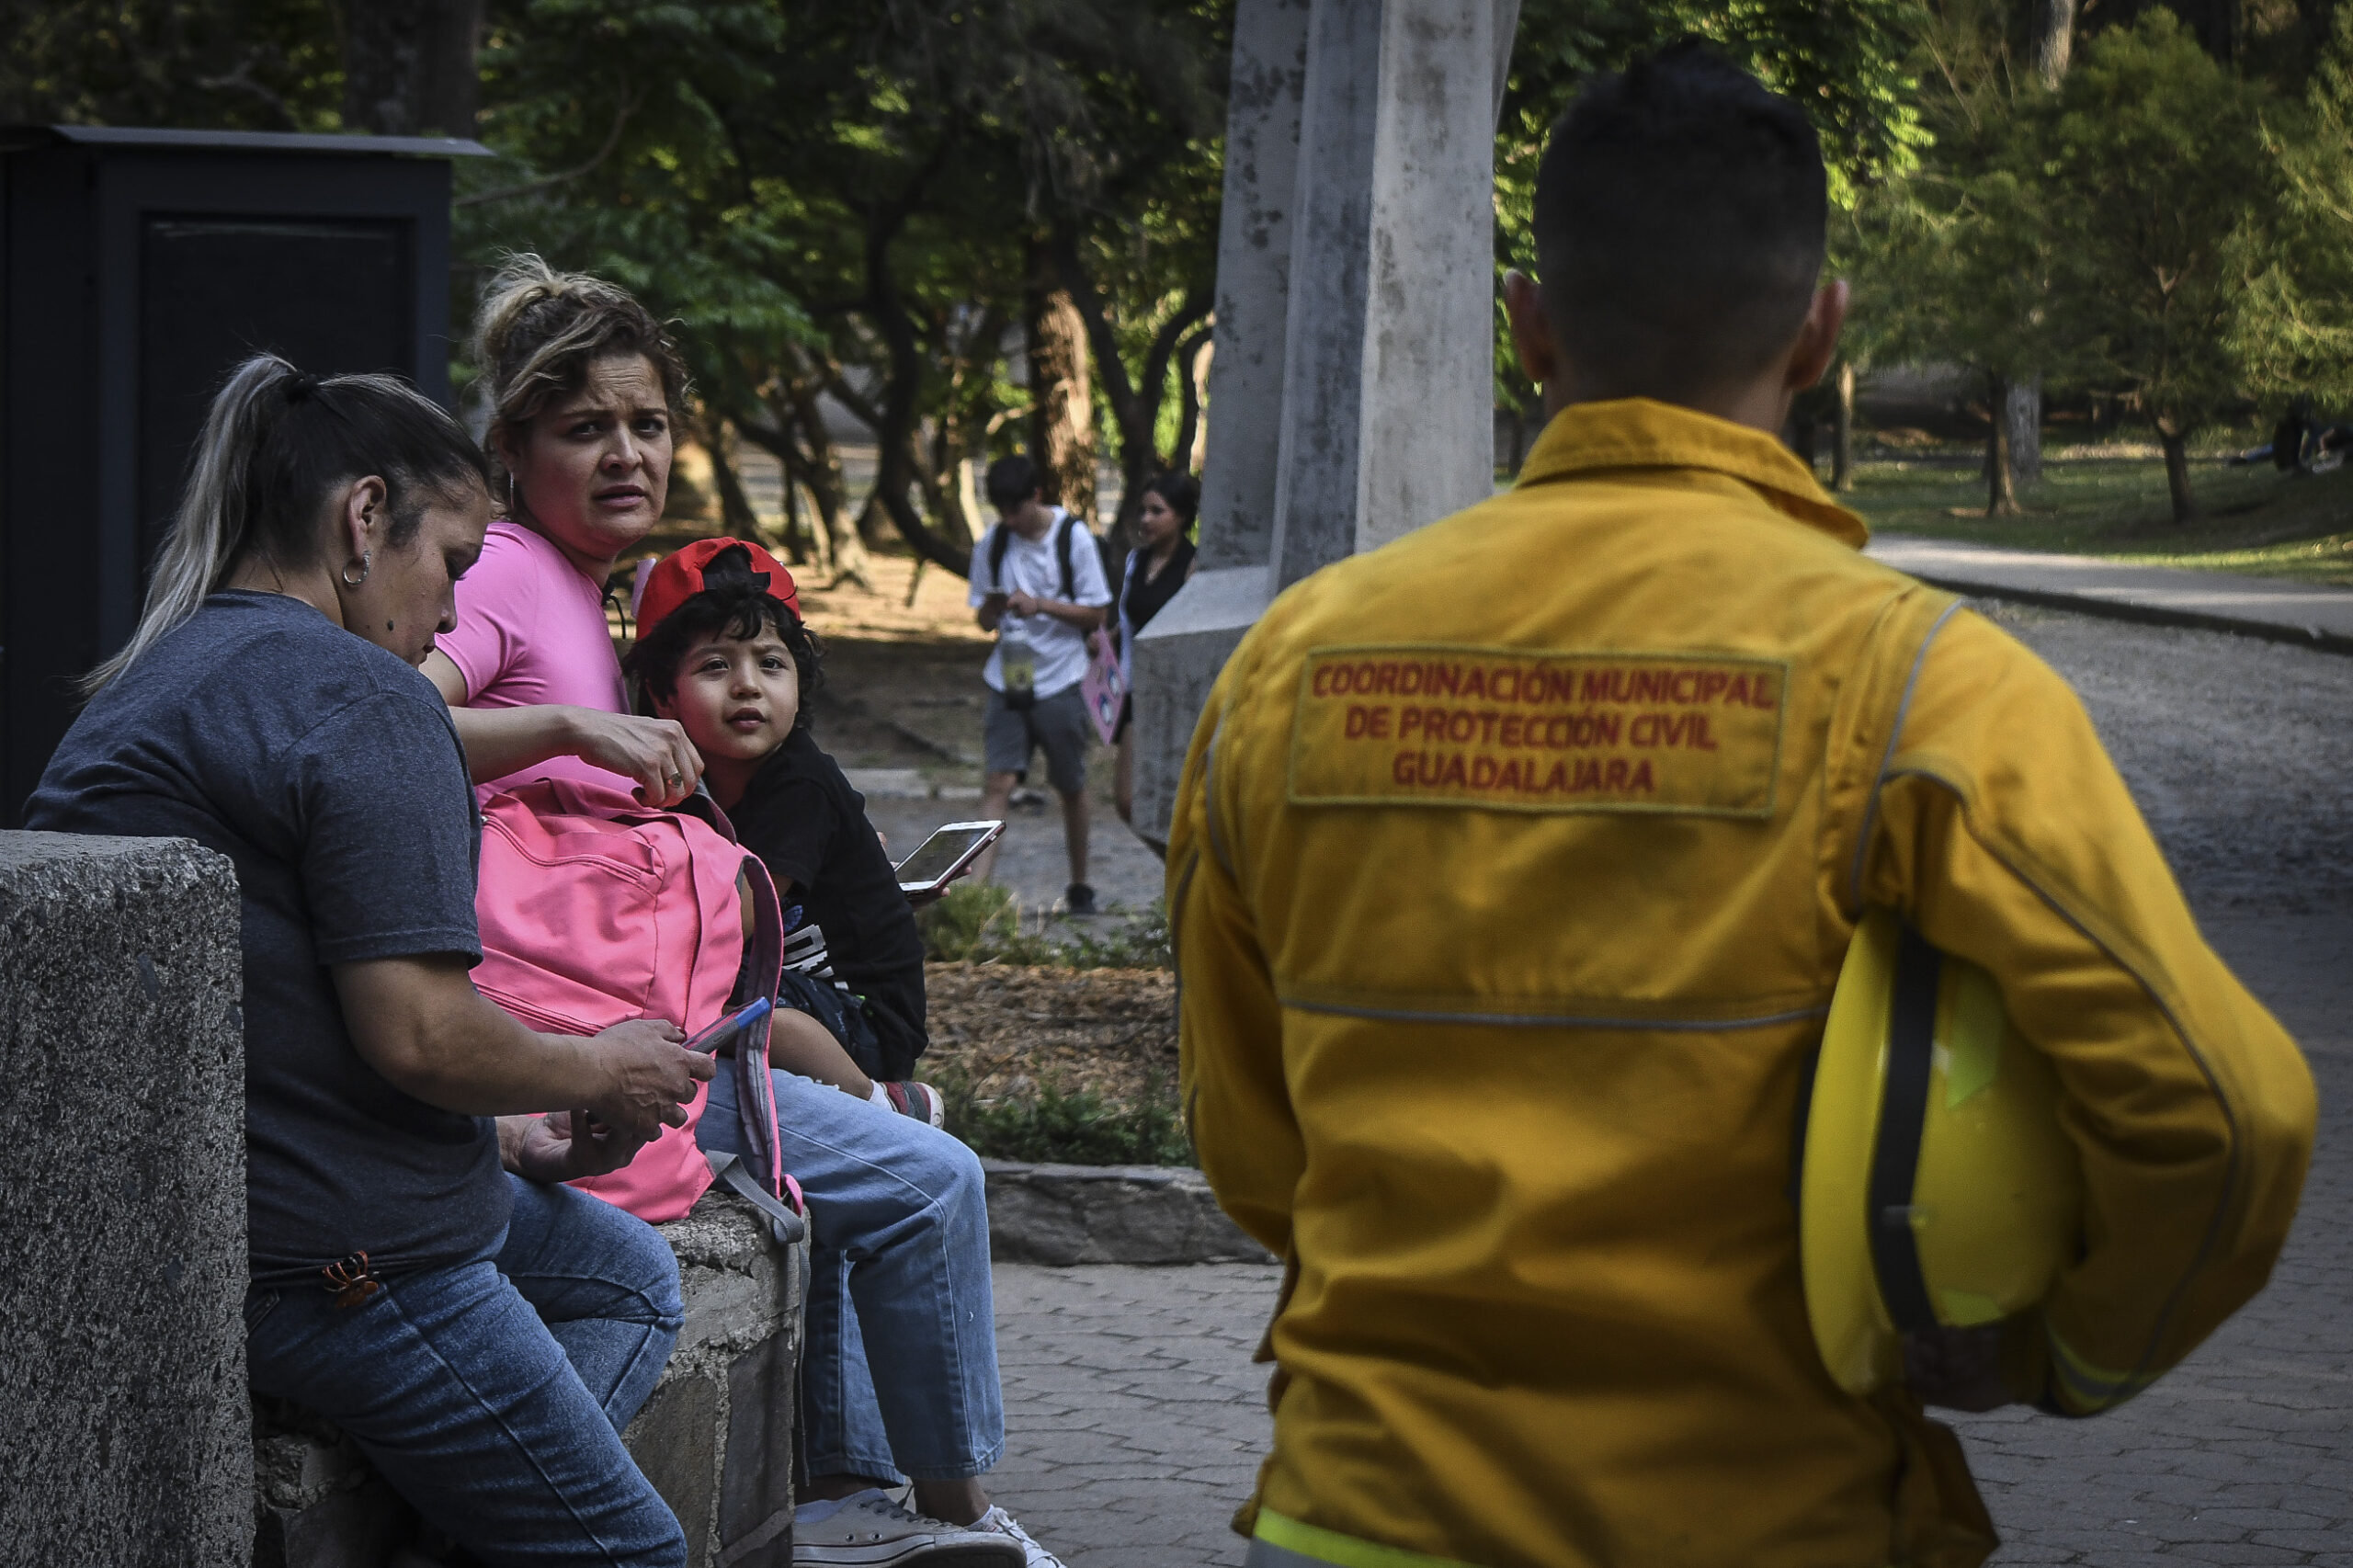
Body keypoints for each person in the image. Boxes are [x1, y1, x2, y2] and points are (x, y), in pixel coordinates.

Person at [1167, 45, 2316, 1568]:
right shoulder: (1922, 688)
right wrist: (2068, 1353)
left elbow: (1257, 1154)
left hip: (1362, 1516)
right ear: (1824, 336)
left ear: (1527, 325)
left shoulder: (1289, 666)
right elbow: (2230, 1120)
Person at [28, 355, 715, 1566]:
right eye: (451, 561)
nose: (451, 615)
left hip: (224, 1226)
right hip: (347, 1264)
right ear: (364, 517)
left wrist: (508, 1133)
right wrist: (596, 1067)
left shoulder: (151, 679)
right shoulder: (363, 699)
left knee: (624, 1272)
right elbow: (420, 1034)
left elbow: (272, 1005)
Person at [436, 260, 1065, 1568]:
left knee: (855, 1183)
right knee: (932, 1178)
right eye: (584, 427)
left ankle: (848, 1490)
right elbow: (378, 723)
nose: (627, 453)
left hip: (640, 1034)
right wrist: (560, 721)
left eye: (648, 423)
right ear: (510, 449)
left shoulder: (576, 585)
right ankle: (950, 1514)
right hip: (590, 1045)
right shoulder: (505, 569)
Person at [619, 537, 1063, 1563]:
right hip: (773, 992)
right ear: (655, 687)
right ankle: (843, 1486)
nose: (748, 688)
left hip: (853, 1007)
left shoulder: (793, 783)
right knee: (804, 1169)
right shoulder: (692, 783)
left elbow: (732, 929)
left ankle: (875, 1099)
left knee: (758, 1010)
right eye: (717, 666)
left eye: (772, 666)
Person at [968, 454, 1113, 913]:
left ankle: (1080, 885)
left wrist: (1040, 605)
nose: (1009, 520)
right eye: (1002, 511)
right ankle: (975, 898)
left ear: (1035, 496)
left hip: (1061, 677)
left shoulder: (1073, 539)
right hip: (1007, 678)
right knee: (999, 782)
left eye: (1016, 509)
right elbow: (981, 618)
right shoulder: (992, 544)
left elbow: (1097, 612)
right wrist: (992, 609)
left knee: (1070, 783)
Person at [1112, 472, 1199, 826]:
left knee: (1177, 798)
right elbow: (1130, 618)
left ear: (1180, 516)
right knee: (1127, 799)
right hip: (1136, 690)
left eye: (1157, 511)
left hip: (1176, 692)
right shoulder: (1136, 561)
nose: (1146, 519)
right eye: (1142, 511)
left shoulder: (1195, 565)